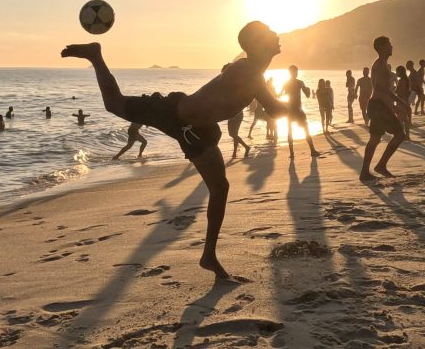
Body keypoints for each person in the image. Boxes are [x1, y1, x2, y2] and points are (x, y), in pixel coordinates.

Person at [60, 21, 301, 279]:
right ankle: (96, 56)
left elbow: (270, 105)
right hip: (175, 115)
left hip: (198, 129)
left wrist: (290, 108)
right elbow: (274, 109)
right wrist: (294, 109)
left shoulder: (253, 71)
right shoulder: (248, 70)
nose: (276, 34)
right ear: (257, 44)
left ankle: (208, 256)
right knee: (114, 104)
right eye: (268, 33)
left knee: (220, 188)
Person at [360, 36, 409, 182]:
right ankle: (379, 166)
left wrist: (398, 104)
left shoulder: (381, 64)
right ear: (382, 47)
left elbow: (385, 90)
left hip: (377, 105)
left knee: (375, 139)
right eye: (389, 45)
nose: (392, 47)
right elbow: (382, 90)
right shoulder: (380, 65)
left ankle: (368, 171)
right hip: (379, 105)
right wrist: (396, 106)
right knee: (399, 135)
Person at [280, 66, 320, 159]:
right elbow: (307, 95)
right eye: (296, 72)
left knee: (290, 131)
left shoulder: (286, 83)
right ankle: (312, 150)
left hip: (290, 110)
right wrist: (308, 89)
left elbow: (280, 95)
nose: (296, 73)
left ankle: (292, 153)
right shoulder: (300, 82)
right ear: (294, 73)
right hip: (298, 109)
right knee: (305, 129)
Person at [395, 65, 412, 140]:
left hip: (400, 101)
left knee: (400, 119)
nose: (396, 73)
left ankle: (402, 135)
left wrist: (394, 89)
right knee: (405, 119)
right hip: (406, 100)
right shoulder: (407, 80)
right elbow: (408, 92)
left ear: (400, 72)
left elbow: (398, 92)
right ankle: (407, 135)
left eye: (397, 72)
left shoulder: (401, 81)